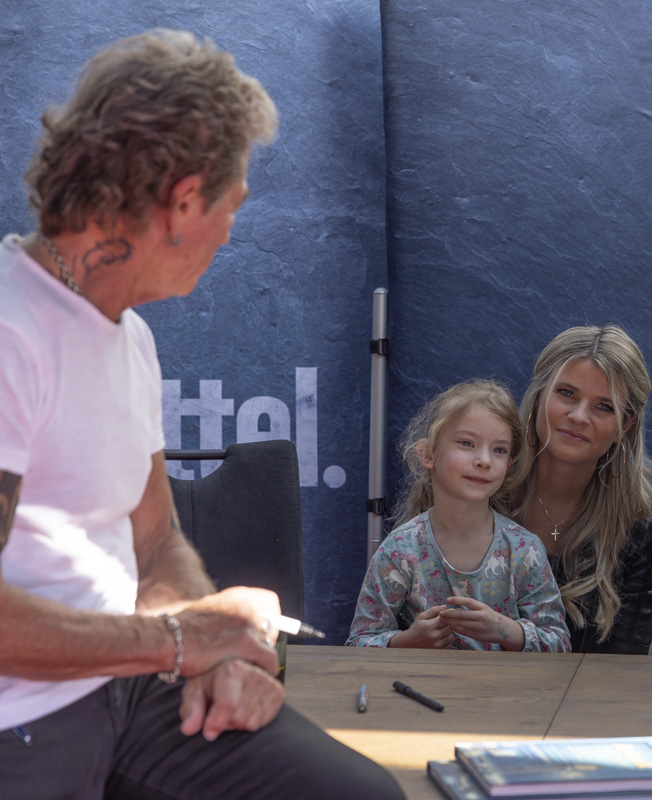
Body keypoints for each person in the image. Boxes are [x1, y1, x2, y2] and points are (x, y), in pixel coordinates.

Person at [0, 30, 403, 799]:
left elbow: (155, 541)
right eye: (233, 203)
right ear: (184, 199)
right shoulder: (10, 332)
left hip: (132, 689)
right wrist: (182, 641)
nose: (230, 227)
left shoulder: (129, 336)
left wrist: (210, 652)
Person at [506, 326, 652, 655]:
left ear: (625, 425)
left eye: (604, 407)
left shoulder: (641, 521)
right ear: (538, 397)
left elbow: (624, 661)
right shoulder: (484, 490)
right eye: (566, 393)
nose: (579, 416)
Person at [347, 379, 570, 652]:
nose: (484, 460)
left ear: (509, 464)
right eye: (467, 443)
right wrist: (407, 642)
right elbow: (359, 643)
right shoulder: (399, 550)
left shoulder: (525, 550)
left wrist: (506, 630)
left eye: (499, 450)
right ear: (428, 454)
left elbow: (559, 643)